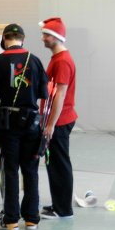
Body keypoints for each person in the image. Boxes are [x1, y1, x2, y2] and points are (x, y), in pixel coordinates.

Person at [0, 24, 48, 230]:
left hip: (8, 123)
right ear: (23, 38)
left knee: (10, 170)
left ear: (4, 39)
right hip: (32, 123)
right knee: (30, 170)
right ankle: (32, 219)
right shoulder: (35, 61)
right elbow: (44, 95)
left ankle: (11, 219)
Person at [39, 17, 77, 219]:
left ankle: (63, 209)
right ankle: (58, 204)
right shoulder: (57, 58)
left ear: (55, 37)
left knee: (60, 164)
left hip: (60, 121)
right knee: (53, 163)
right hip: (56, 120)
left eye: (46, 35)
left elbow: (60, 95)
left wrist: (51, 125)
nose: (43, 38)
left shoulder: (62, 61)